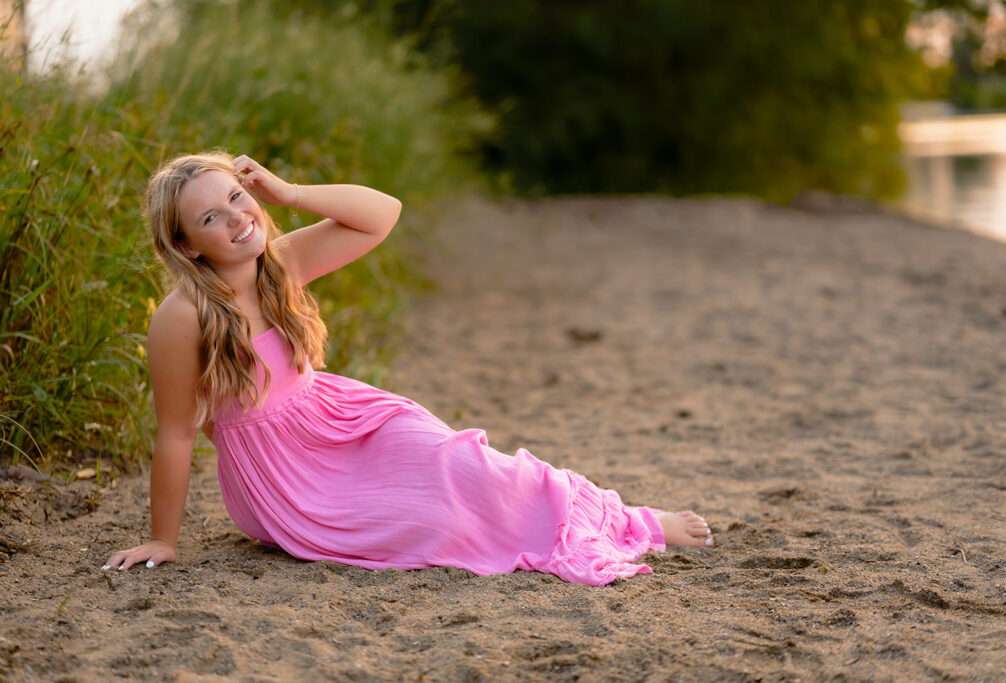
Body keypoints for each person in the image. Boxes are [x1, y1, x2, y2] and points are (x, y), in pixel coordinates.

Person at [102, 151, 714, 587]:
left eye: (237, 197)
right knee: (436, 519)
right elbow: (176, 434)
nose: (237, 217)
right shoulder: (181, 318)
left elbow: (382, 213)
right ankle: (609, 525)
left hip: (341, 418)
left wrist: (289, 194)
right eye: (210, 217)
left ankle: (624, 520)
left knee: (461, 461)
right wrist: (163, 539)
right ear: (186, 245)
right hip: (285, 477)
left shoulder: (279, 263)